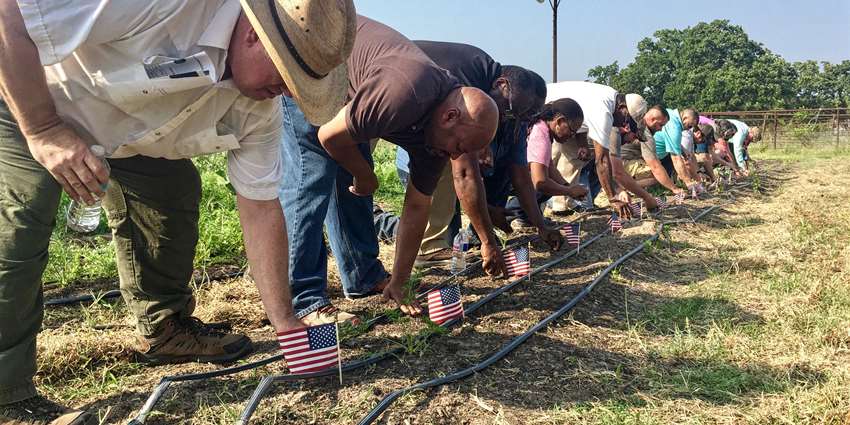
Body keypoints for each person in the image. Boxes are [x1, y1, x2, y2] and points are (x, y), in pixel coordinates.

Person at [0, 0, 356, 422]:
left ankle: (163, 329)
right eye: (288, 77)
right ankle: (9, 396)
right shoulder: (165, 6)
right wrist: (43, 129)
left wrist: (284, 320)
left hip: (127, 132)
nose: (291, 93)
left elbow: (261, 209)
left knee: (173, 191)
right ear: (253, 36)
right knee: (20, 224)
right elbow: (8, 15)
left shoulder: (259, 111)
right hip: (30, 97)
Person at [280, 16, 499, 322]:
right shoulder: (406, 91)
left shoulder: (438, 141)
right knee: (311, 175)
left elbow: (417, 206)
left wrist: (401, 280)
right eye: (460, 146)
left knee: (352, 180)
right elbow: (328, 136)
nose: (456, 156)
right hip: (311, 61)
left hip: (347, 93)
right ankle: (303, 301)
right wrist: (364, 175)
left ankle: (364, 276)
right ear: (450, 117)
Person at [379, 42, 566, 266]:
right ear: (501, 85)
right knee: (415, 222)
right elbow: (465, 174)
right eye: (512, 113)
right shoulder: (468, 89)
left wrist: (541, 226)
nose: (514, 120)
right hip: (390, 114)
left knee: (448, 236)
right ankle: (379, 222)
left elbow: (521, 178)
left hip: (438, 163)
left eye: (526, 116)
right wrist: (488, 241)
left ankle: (424, 243)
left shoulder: (513, 115)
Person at [545, 82, 664, 219]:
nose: (624, 125)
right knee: (545, 163)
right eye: (626, 120)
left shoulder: (611, 98)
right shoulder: (604, 113)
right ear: (622, 108)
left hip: (565, 119)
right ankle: (530, 211)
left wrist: (582, 144)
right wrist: (613, 198)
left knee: (572, 159)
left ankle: (562, 207)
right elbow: (602, 161)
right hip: (547, 110)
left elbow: (582, 119)